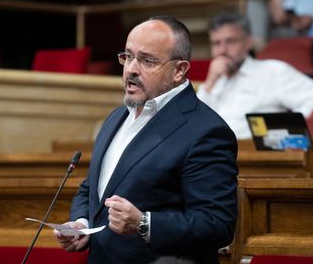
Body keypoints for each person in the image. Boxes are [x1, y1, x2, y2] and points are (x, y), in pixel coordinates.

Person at [53, 15, 238, 264]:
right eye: (127, 56)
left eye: (147, 60)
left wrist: (144, 224)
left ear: (179, 70)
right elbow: (93, 188)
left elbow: (216, 224)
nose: (131, 69)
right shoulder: (116, 117)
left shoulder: (206, 131)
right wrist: (80, 224)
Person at [197, 12, 313, 139]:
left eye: (230, 41)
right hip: (212, 158)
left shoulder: (272, 71)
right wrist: (210, 82)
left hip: (255, 156)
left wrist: (278, 129)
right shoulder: (214, 82)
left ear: (248, 42)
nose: (222, 50)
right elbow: (194, 123)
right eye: (216, 43)